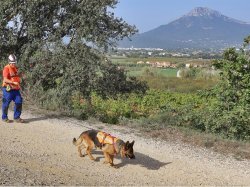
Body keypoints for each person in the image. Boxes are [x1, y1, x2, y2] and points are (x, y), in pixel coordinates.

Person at [2, 54, 24, 123]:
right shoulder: (6, 68)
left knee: (19, 102)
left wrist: (20, 79)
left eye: (14, 63)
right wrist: (13, 82)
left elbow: (16, 77)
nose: (13, 64)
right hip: (8, 89)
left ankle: (17, 117)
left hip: (16, 89)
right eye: (12, 63)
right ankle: (4, 117)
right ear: (9, 61)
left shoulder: (15, 68)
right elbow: (5, 80)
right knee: (6, 104)